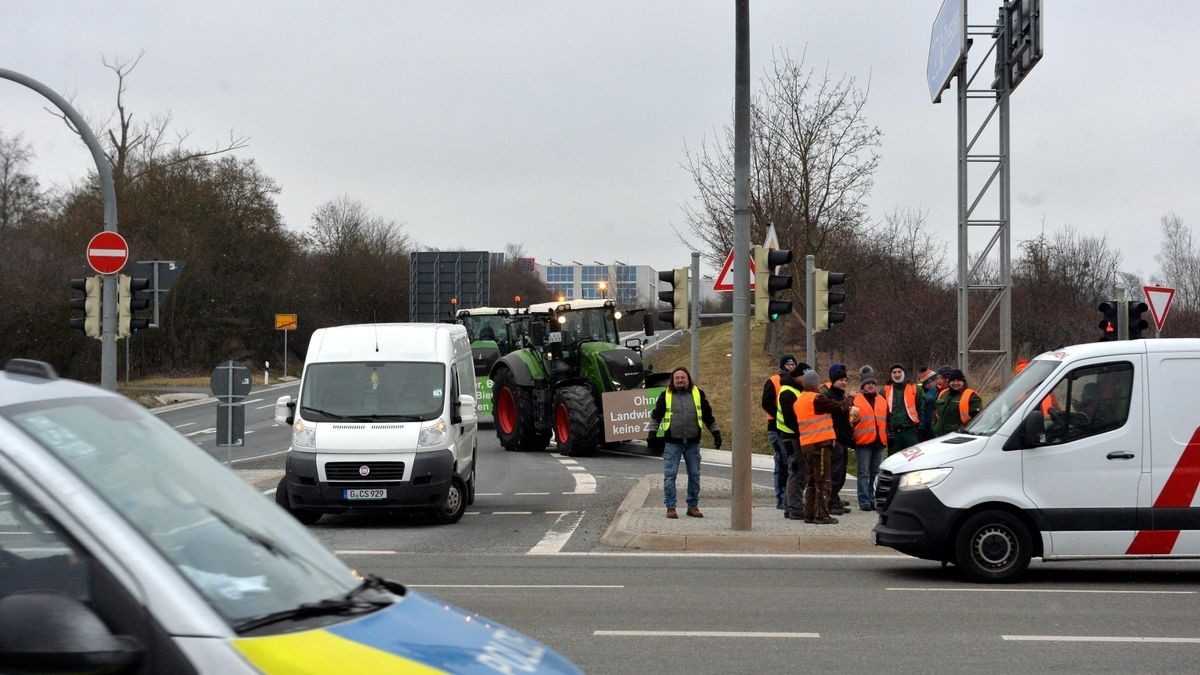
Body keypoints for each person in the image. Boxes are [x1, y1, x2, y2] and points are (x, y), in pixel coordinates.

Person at [648, 367, 721, 519]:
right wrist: (652, 434)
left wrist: (715, 432)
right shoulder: (666, 395)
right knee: (670, 476)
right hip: (672, 443)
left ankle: (692, 507)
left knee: (694, 475)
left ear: (688, 379)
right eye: (677, 378)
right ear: (673, 381)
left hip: (692, 443)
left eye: (683, 377)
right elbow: (656, 416)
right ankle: (671, 507)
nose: (680, 380)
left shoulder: (698, 394)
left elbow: (708, 415)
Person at [780, 368, 849, 524]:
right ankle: (821, 514)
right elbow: (840, 407)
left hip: (807, 445)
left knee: (810, 481)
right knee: (823, 480)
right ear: (815, 383)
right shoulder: (817, 399)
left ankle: (809, 513)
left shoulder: (799, 401)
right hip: (821, 444)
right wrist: (850, 398)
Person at [762, 355, 804, 511]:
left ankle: (789, 498)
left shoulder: (797, 384)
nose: (791, 366)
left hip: (791, 429)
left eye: (793, 363)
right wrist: (780, 416)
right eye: (788, 364)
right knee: (782, 463)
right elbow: (766, 402)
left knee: (792, 465)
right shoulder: (773, 381)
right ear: (782, 365)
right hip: (776, 428)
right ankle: (781, 497)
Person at [820, 363, 857, 516]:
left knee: (841, 473)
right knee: (834, 473)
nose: (844, 382)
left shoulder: (842, 396)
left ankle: (834, 499)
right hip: (834, 439)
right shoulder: (828, 395)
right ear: (833, 380)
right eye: (841, 379)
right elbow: (836, 410)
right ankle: (829, 501)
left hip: (843, 438)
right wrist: (849, 401)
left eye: (845, 379)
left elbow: (845, 417)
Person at [852, 366, 887, 510]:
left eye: (873, 383)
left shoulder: (882, 400)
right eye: (868, 383)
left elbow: (886, 420)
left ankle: (873, 499)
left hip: (879, 441)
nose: (871, 385)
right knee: (863, 473)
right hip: (863, 442)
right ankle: (864, 501)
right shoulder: (855, 400)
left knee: (875, 473)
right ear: (863, 385)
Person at [933, 369, 983, 437]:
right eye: (953, 381)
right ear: (949, 382)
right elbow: (936, 413)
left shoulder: (971, 395)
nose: (956, 383)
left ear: (963, 382)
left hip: (958, 437)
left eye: (959, 380)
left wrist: (961, 431)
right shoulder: (943, 393)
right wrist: (934, 426)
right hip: (939, 435)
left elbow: (977, 418)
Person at [885, 363, 922, 454]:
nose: (897, 375)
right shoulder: (885, 390)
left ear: (904, 373)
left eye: (899, 372)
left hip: (910, 431)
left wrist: (920, 428)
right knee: (893, 461)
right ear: (891, 375)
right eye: (894, 372)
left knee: (912, 460)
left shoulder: (915, 388)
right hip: (893, 433)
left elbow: (922, 408)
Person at [916, 367, 938, 441]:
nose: (926, 386)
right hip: (930, 428)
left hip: (930, 428)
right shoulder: (929, 393)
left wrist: (921, 428)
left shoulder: (931, 394)